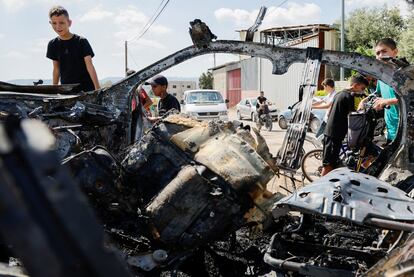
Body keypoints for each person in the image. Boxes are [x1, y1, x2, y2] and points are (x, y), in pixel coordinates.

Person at [321, 74, 369, 176]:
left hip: (331, 133)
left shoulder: (339, 94)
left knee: (331, 163)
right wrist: (363, 103)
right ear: (355, 85)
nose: (363, 91)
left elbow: (330, 112)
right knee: (328, 165)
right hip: (334, 135)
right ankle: (319, 188)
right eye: (362, 88)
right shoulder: (349, 96)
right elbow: (354, 116)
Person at [46, 6, 100, 91]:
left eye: (61, 23)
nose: (58, 26)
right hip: (67, 90)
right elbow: (56, 69)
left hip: (86, 88)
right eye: (54, 23)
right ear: (50, 23)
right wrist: (54, 89)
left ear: (69, 23)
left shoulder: (81, 41)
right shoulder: (52, 44)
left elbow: (90, 66)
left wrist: (97, 89)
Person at [372, 38, 400, 144]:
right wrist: (364, 100)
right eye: (377, 53)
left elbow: (410, 98)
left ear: (395, 52)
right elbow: (377, 94)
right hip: (391, 131)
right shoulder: (381, 76)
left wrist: (385, 101)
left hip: (407, 133)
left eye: (384, 51)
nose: (380, 55)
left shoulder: (405, 74)